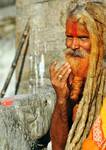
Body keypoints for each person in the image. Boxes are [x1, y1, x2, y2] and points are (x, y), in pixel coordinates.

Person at [49, 2, 106, 150]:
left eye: (83, 38)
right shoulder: (71, 82)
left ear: (101, 40)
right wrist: (61, 99)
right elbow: (57, 147)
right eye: (69, 36)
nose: (73, 45)